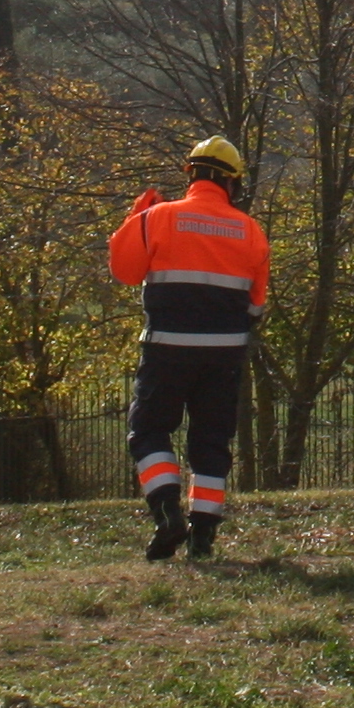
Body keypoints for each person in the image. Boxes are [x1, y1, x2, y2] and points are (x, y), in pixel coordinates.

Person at [106, 136, 273, 561]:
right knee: (212, 441)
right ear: (232, 183)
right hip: (225, 352)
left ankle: (166, 514)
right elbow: (257, 304)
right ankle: (203, 538)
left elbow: (123, 271)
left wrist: (136, 217)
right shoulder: (250, 230)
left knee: (148, 431)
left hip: (167, 349)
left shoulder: (158, 218)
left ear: (191, 174)